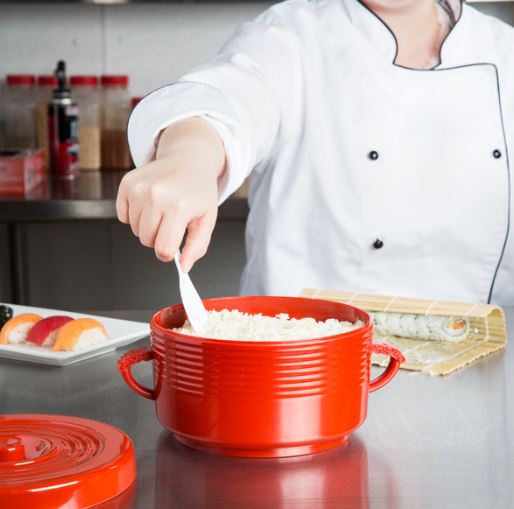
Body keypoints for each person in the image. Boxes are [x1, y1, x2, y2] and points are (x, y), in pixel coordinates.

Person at [117, 0, 514, 305]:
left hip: (482, 371)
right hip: (307, 371)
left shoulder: (504, 51)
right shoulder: (293, 36)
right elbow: (229, 97)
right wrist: (189, 156)